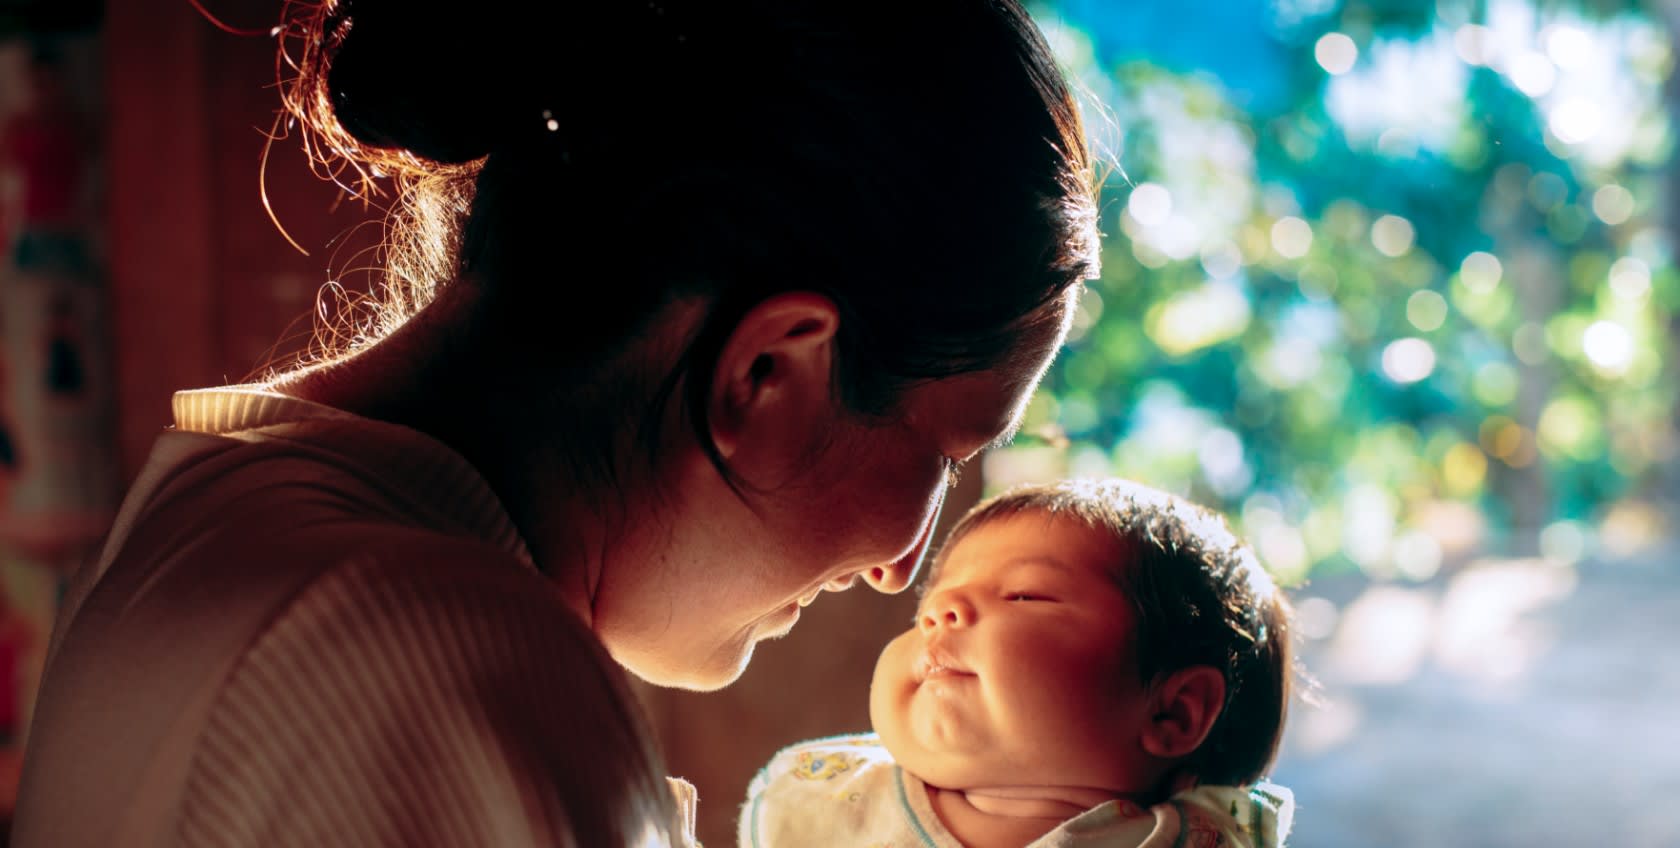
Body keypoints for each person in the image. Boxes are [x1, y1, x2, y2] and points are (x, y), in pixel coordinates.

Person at [11, 0, 1102, 845]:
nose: (906, 566)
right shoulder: (440, 660)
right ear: (769, 369)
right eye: (945, 454)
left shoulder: (222, 510)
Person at [741, 478, 1297, 848]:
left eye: (1024, 596)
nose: (941, 612)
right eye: (930, 605)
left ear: (1172, 713)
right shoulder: (826, 808)